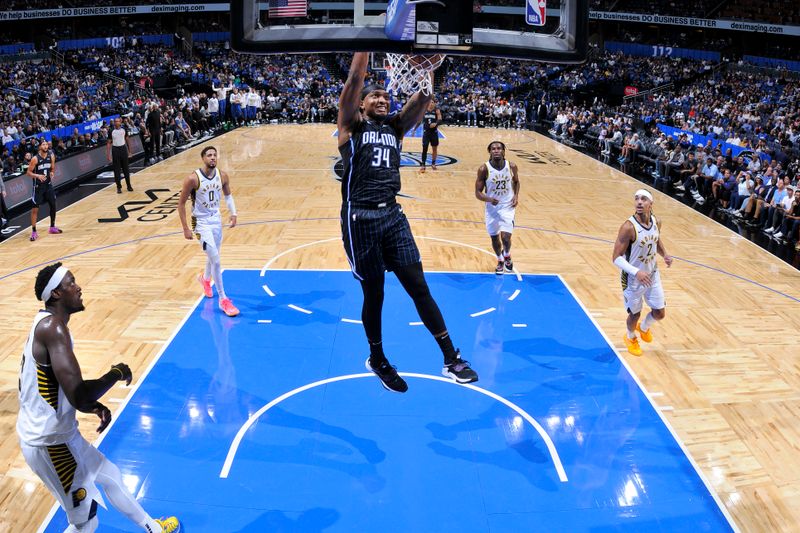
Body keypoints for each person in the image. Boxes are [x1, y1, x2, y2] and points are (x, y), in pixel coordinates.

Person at [337, 52, 478, 392]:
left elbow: (424, 100)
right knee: (375, 294)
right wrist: (365, 47)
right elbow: (354, 82)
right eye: (375, 96)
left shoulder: (395, 127)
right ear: (362, 104)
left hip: (392, 215)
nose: (382, 99)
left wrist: (428, 68)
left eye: (386, 96)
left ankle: (451, 358)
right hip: (360, 216)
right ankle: (378, 358)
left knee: (419, 286)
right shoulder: (350, 126)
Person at [18, 263, 180, 533]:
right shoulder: (53, 329)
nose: (78, 287)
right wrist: (115, 373)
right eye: (71, 282)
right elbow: (79, 395)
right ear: (56, 294)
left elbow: (59, 387)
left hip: (57, 436)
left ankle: (152, 528)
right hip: (51, 445)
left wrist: (94, 405)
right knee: (85, 522)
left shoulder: (45, 323)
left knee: (111, 476)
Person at [178, 146, 240, 317]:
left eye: (215, 155)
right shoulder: (192, 179)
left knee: (214, 256)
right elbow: (181, 204)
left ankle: (205, 280)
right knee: (217, 260)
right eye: (209, 155)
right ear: (203, 158)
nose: (213, 158)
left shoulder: (223, 175)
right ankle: (223, 300)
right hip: (200, 223)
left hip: (216, 220)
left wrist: (233, 213)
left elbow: (228, 196)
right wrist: (185, 228)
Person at [612, 189, 673, 356]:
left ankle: (644, 327)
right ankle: (630, 336)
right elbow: (616, 258)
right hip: (632, 278)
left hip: (653, 274)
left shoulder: (656, 221)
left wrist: (665, 254)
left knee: (660, 313)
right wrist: (636, 272)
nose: (639, 202)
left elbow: (656, 239)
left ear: (650, 204)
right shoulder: (628, 227)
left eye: (643, 199)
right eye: (637, 199)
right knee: (635, 314)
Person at [475, 141, 520, 274]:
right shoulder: (484, 169)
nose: (496, 150)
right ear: (489, 152)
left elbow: (517, 182)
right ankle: (500, 260)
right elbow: (477, 193)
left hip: (507, 206)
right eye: (493, 149)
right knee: (494, 238)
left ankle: (507, 255)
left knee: (506, 238)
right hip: (492, 208)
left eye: (499, 148)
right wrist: (489, 199)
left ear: (503, 151)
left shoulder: (512, 166)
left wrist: (516, 196)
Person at [27, 140, 61, 242]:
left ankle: (52, 227)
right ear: (39, 147)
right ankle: (34, 231)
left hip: (48, 185)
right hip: (38, 187)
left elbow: (52, 168)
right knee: (35, 210)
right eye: (43, 144)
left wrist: (52, 173)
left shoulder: (51, 156)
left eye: (46, 144)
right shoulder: (35, 159)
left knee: (53, 205)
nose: (46, 146)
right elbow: (28, 172)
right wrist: (37, 175)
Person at [107, 117, 133, 194]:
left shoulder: (124, 130)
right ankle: (119, 187)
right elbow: (108, 143)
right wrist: (108, 155)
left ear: (120, 122)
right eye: (115, 121)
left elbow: (127, 140)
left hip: (123, 149)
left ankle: (129, 185)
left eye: (117, 121)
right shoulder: (111, 131)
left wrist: (130, 151)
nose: (116, 122)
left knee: (126, 169)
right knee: (116, 170)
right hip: (115, 150)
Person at [419, 100, 442, 173]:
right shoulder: (424, 110)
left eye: (432, 102)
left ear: (434, 103)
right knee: (424, 148)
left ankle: (433, 163)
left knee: (434, 148)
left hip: (434, 133)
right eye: (430, 102)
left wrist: (435, 124)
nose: (431, 104)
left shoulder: (436, 110)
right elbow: (419, 119)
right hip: (426, 132)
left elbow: (440, 119)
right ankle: (423, 164)